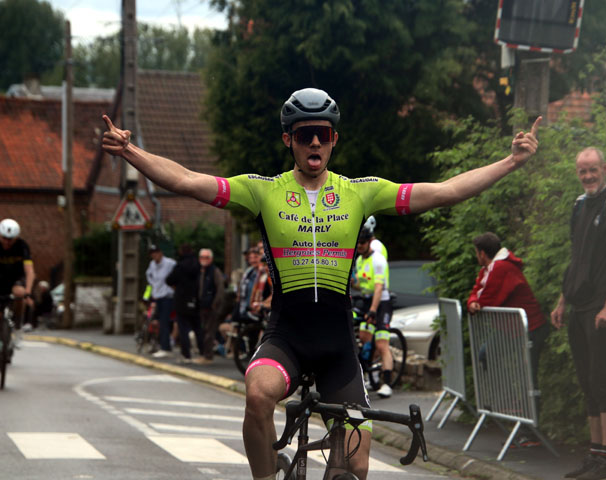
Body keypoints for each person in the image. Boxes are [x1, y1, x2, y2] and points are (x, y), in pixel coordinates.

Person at [102, 87, 540, 480]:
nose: (315, 141)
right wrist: (130, 153)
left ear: (334, 140)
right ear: (288, 139)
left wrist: (511, 162)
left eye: (324, 134)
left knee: (356, 466)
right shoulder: (263, 190)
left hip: (337, 348)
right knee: (257, 397)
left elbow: (443, 191)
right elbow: (186, 181)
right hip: (285, 339)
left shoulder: (359, 192)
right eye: (305, 132)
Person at [550, 147, 606, 480]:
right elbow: (576, 257)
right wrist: (561, 301)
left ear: (604, 168)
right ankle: (595, 454)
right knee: (586, 380)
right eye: (582, 171)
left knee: (602, 379)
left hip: (601, 308)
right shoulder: (580, 204)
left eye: (592, 170)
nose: (587, 176)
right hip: (579, 305)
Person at [466, 231, 550, 446]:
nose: (476, 257)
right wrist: (473, 302)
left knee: (528, 378)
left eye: (476, 253)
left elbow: (487, 297)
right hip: (513, 329)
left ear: (482, 253)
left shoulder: (501, 268)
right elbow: (477, 292)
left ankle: (530, 429)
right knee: (487, 354)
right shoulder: (489, 268)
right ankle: (508, 407)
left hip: (529, 328)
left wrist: (476, 303)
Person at [352, 227, 394, 398]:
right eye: (357, 243)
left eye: (362, 243)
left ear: (370, 241)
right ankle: (372, 373)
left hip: (381, 302)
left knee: (382, 343)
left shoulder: (378, 260)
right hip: (368, 299)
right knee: (364, 337)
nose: (359, 246)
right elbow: (360, 285)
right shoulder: (360, 260)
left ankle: (387, 384)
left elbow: (378, 288)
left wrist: (373, 311)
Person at [166, 244, 202, 364]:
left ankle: (186, 354)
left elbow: (169, 279)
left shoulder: (180, 266)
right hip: (195, 299)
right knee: (198, 327)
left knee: (183, 328)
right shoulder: (197, 264)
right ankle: (202, 353)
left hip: (181, 299)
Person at [0, 218, 35, 327]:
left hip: (17, 277)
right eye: (4, 238)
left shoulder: (22, 246)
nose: (7, 242)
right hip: (1, 278)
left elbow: (29, 271)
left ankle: (17, 319)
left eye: (10, 239)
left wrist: (28, 293)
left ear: (16, 237)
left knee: (19, 292)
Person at [194, 248, 226, 365]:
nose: (204, 260)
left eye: (206, 257)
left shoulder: (214, 271)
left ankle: (208, 356)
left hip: (211, 307)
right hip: (203, 306)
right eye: (202, 257)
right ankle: (204, 354)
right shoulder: (201, 271)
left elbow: (220, 289)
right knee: (203, 331)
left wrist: (215, 304)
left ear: (211, 259)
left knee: (209, 332)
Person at [145, 244, 177, 358]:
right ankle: (160, 344)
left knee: (164, 322)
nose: (154, 255)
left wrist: (172, 288)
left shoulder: (170, 263)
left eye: (156, 253)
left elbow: (176, 276)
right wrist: (150, 292)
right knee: (155, 321)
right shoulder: (152, 265)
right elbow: (149, 277)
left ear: (161, 253)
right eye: (152, 253)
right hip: (157, 296)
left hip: (168, 296)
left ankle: (166, 347)